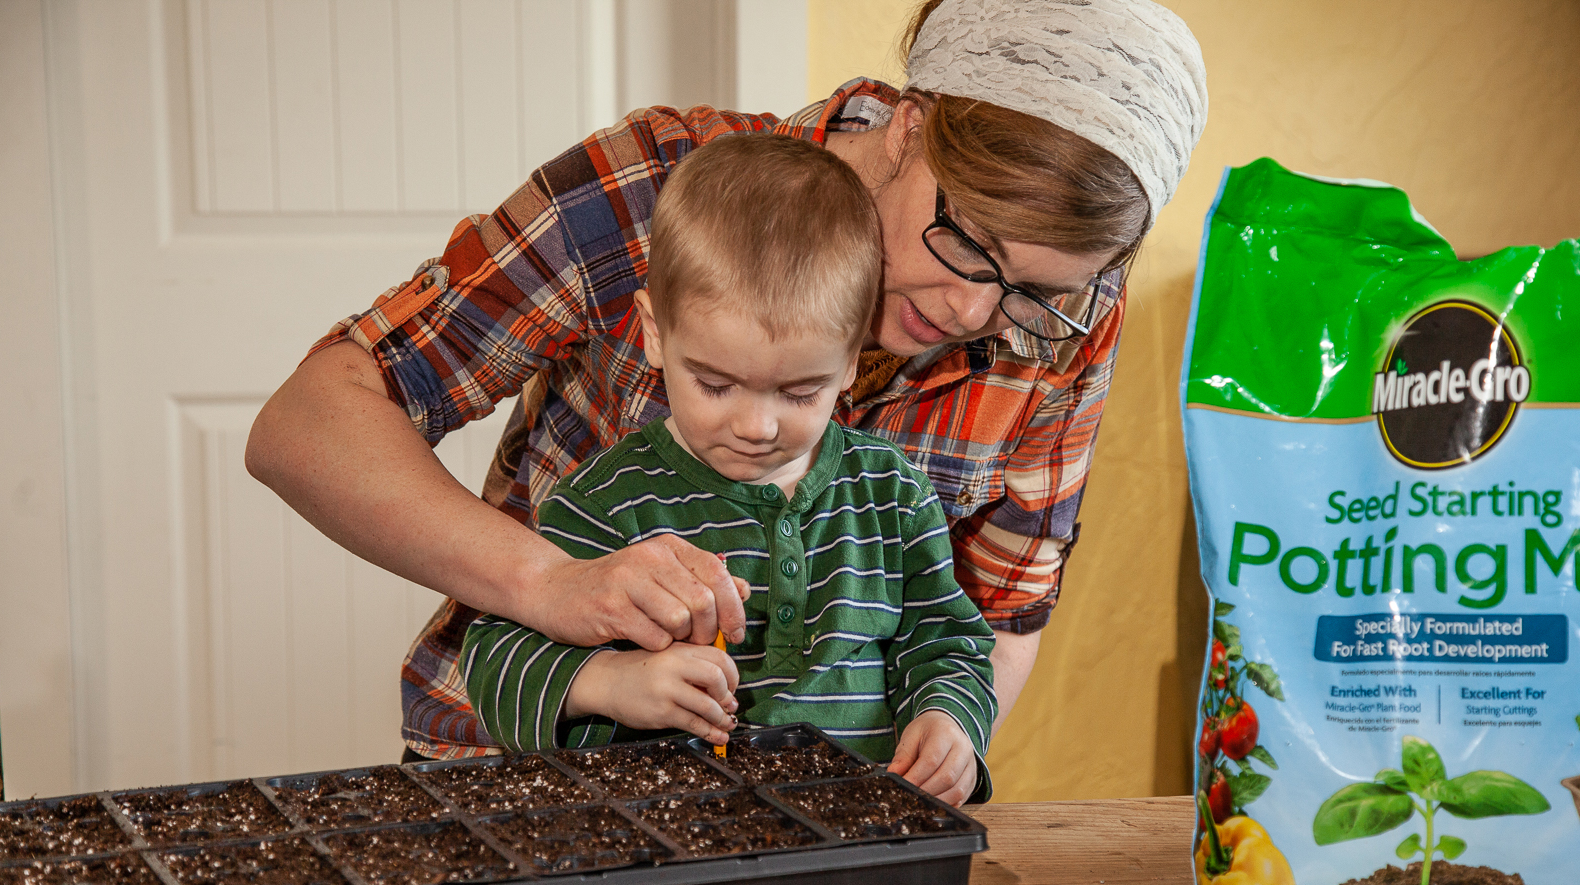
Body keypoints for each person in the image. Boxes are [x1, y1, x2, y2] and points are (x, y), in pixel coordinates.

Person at [244, 0, 1206, 791]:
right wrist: (551, 584)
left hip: (824, 820)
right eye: (970, 240)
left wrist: (931, 755)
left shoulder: (1060, 317)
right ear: (912, 126)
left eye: (1034, 291)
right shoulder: (656, 188)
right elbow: (307, 424)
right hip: (519, 769)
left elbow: (996, 612)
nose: (973, 308)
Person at [458, 133, 997, 805]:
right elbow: (493, 658)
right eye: (716, 384)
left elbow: (947, 643)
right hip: (666, 841)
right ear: (656, 333)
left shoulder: (894, 498)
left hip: (855, 836)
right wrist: (611, 681)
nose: (756, 425)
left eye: (800, 392)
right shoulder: (605, 501)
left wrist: (949, 722)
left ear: (854, 359)